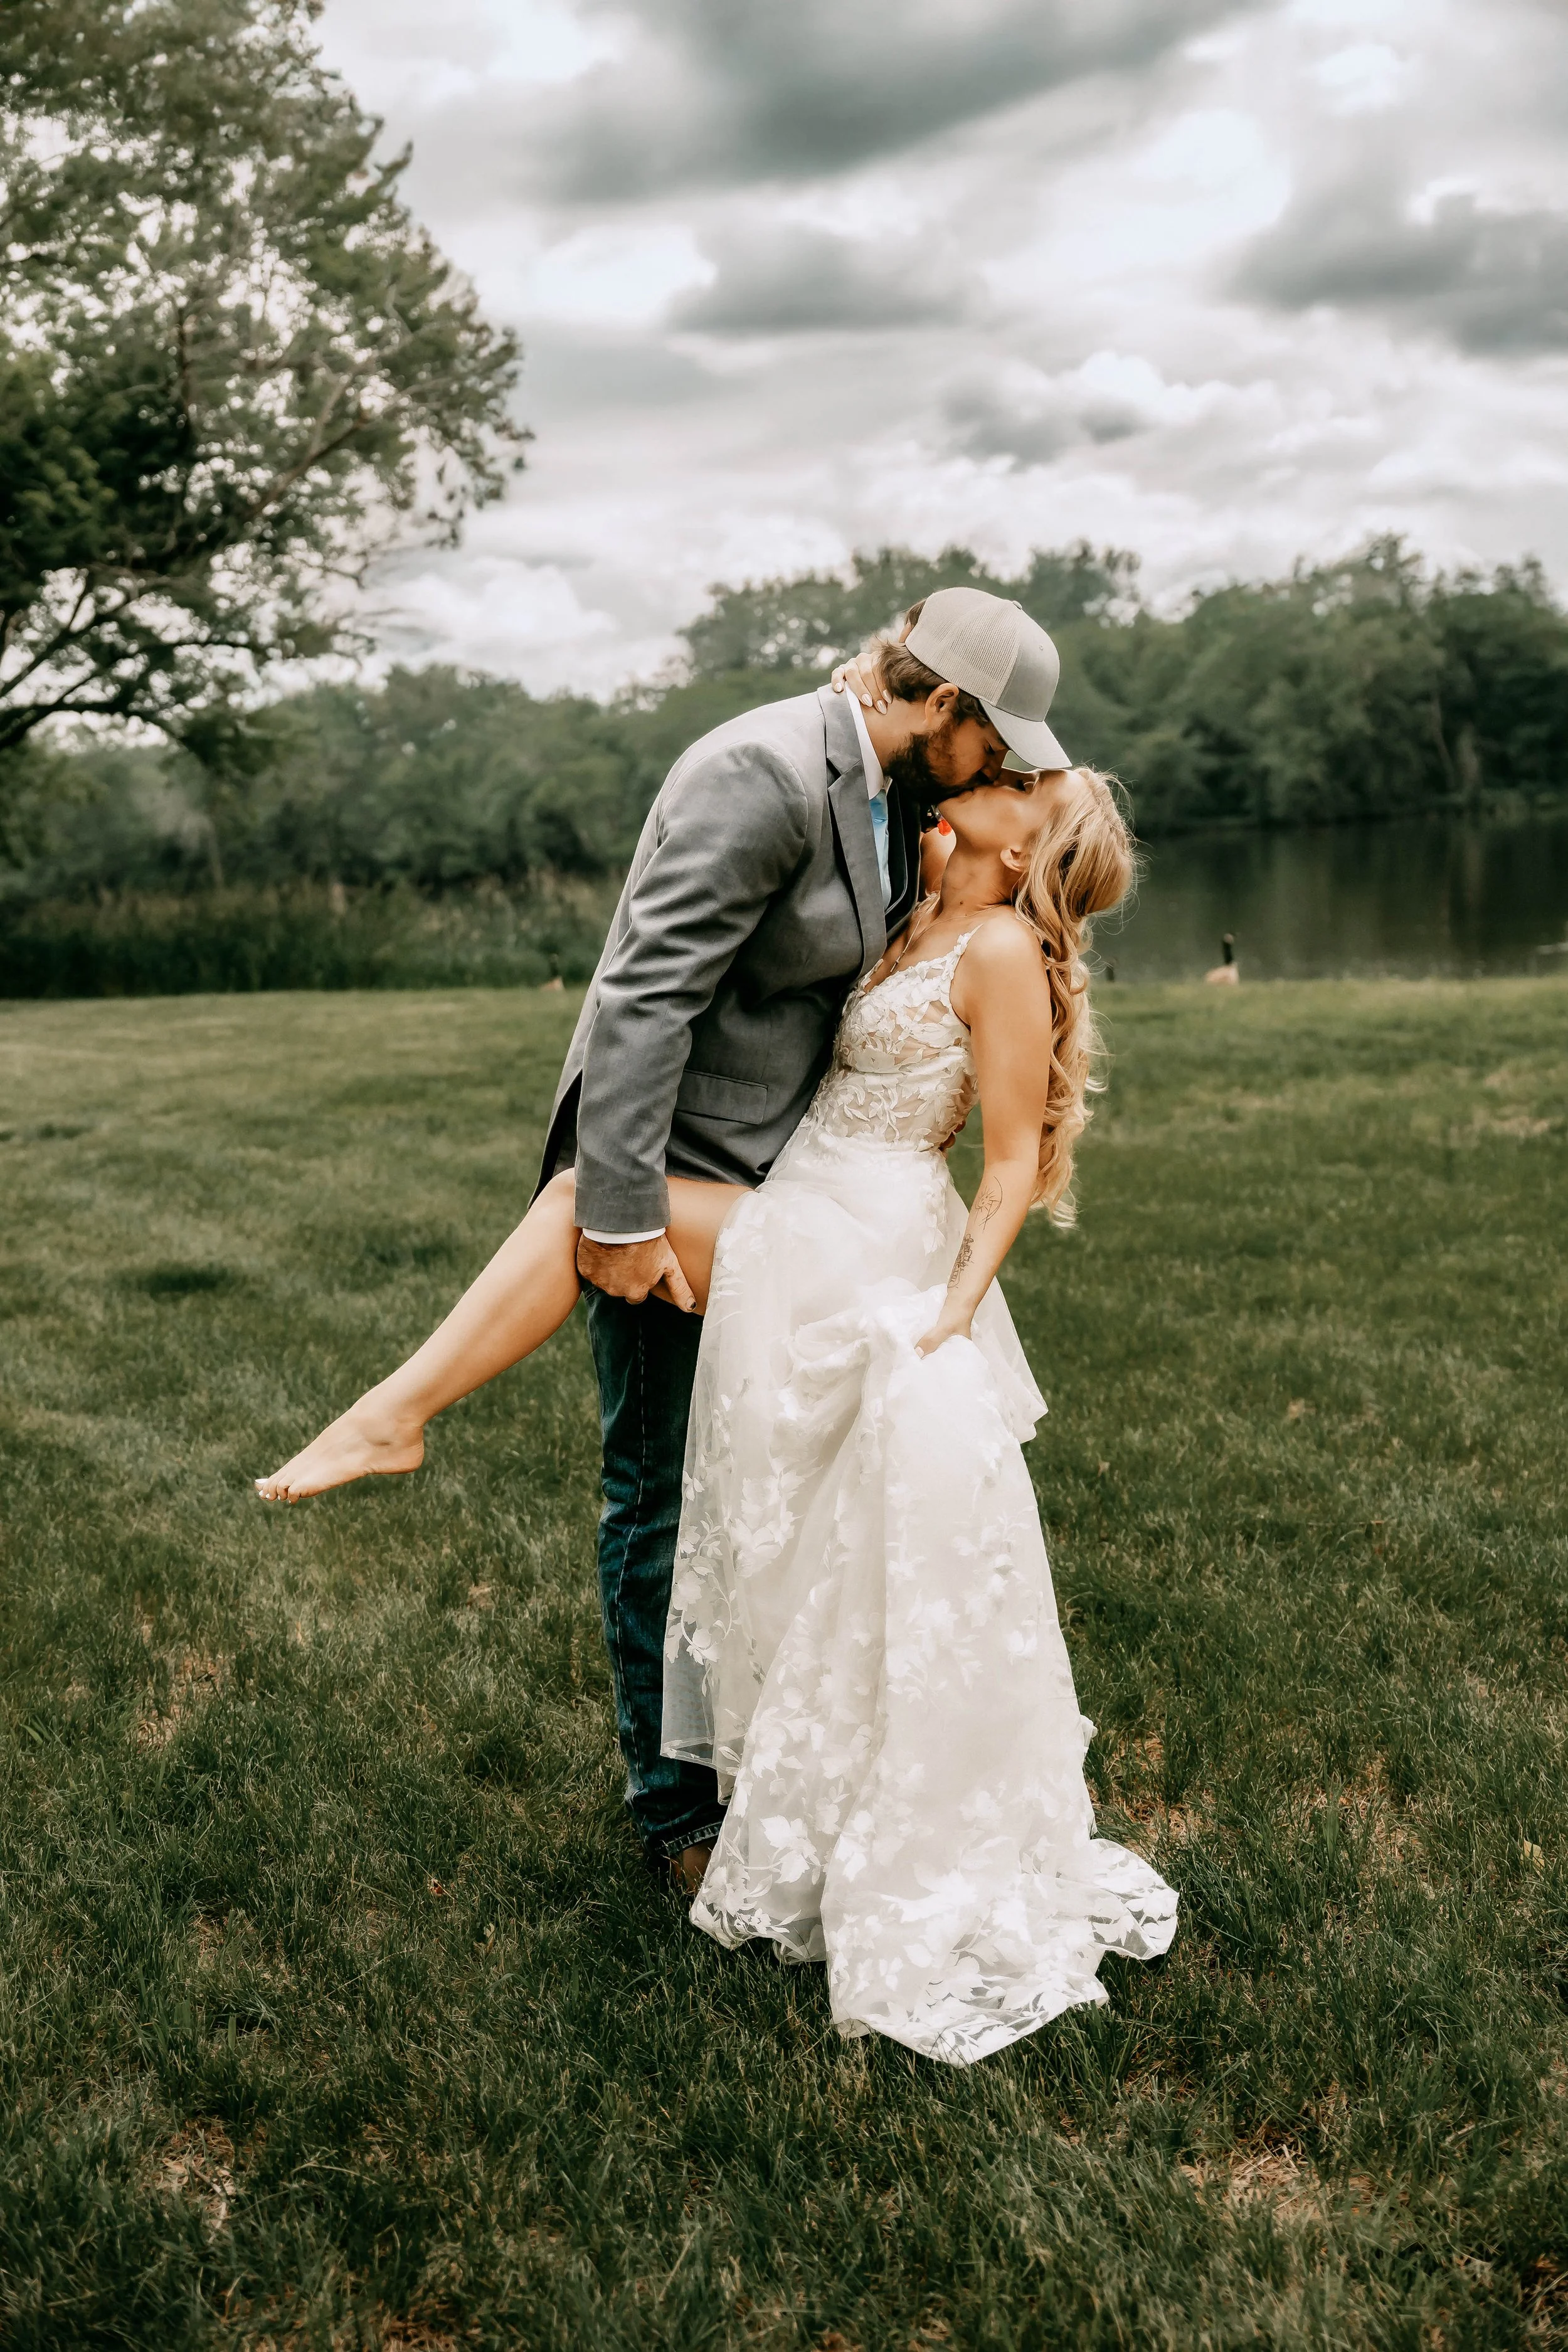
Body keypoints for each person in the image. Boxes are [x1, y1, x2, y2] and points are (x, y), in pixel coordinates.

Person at [261, 586, 1072, 1897]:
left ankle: (785, 1770)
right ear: (939, 708)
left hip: (811, 1192)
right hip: (678, 1173)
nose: (1002, 769)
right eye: (996, 743)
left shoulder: (896, 801)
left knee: (771, 1492)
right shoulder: (757, 772)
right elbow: (642, 996)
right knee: (658, 1490)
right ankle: (671, 1815)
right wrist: (625, 1214)